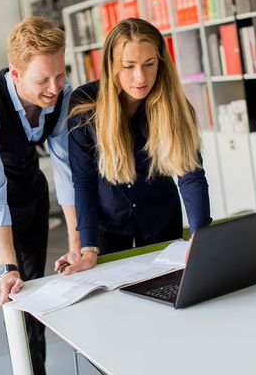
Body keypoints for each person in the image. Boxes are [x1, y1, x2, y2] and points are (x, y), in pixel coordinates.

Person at [0, 16, 79, 375]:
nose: (54, 88)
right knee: (15, 294)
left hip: (30, 195)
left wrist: (77, 244)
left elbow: (66, 170)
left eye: (60, 75)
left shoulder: (62, 93)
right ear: (15, 73)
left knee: (35, 297)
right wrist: (7, 268)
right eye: (42, 80)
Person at [55, 17, 211, 275]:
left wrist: (200, 235)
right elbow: (84, 181)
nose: (141, 78)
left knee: (167, 285)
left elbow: (190, 174)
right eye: (128, 66)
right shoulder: (85, 104)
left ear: (161, 62)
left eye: (149, 64)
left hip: (160, 216)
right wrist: (88, 247)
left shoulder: (175, 107)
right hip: (108, 223)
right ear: (111, 65)